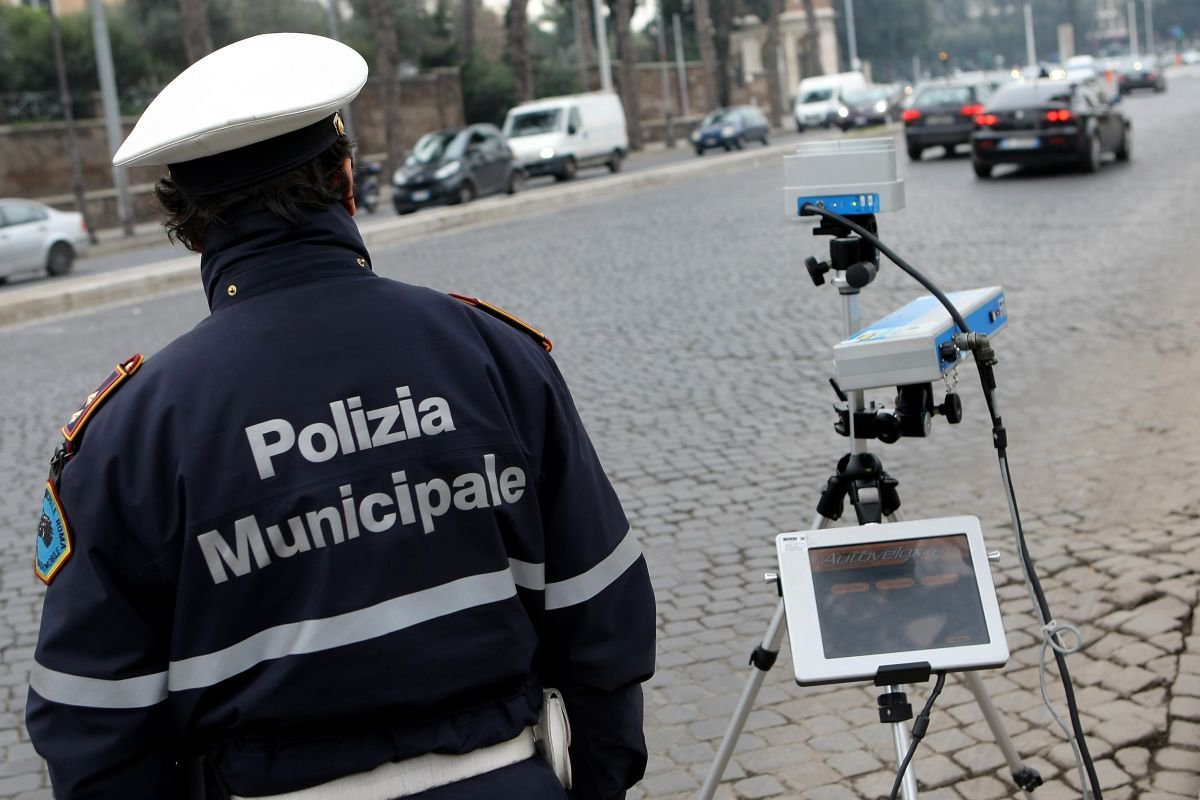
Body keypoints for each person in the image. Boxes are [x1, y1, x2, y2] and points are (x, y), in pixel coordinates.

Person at [27, 32, 656, 800]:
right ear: (346, 181)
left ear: (189, 228)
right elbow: (601, 615)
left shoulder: (130, 435)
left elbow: (91, 720)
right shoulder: (494, 355)